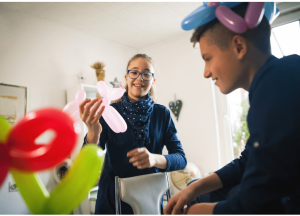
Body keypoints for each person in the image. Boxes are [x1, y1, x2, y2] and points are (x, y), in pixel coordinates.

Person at [164, 2, 300, 214]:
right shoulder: (285, 72)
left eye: (207, 59)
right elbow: (249, 160)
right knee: (199, 188)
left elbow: (256, 204)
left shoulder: (273, 88)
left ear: (239, 46)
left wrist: (195, 212)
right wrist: (195, 187)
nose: (206, 72)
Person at [79, 54, 187, 214]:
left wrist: (155, 159)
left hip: (149, 200)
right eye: (134, 72)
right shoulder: (109, 112)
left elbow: (181, 159)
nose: (140, 78)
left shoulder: (162, 113)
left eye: (147, 73)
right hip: (112, 202)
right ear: (126, 78)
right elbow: (86, 162)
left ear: (153, 81)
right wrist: (92, 135)